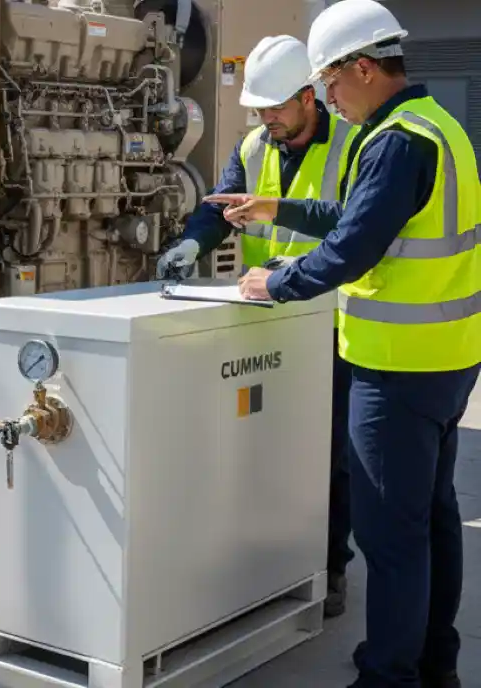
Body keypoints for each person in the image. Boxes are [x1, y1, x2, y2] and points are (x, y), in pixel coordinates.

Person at [209, 1, 480, 686]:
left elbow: (354, 246)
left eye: (330, 80)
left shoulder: (395, 140)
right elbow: (357, 212)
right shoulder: (433, 125)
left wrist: (278, 283)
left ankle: (388, 674)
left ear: (363, 67)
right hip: (446, 362)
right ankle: (434, 663)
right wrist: (279, 208)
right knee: (432, 522)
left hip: (395, 369)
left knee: (390, 539)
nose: (327, 95)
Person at [156, 34, 359, 619]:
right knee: (260, 445)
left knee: (329, 455)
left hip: (331, 321)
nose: (268, 118)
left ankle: (331, 565)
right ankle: (260, 560)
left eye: (276, 107)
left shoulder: (353, 144)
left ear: (308, 97)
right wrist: (193, 240)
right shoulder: (252, 144)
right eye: (260, 109)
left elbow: (353, 224)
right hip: (263, 318)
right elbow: (220, 206)